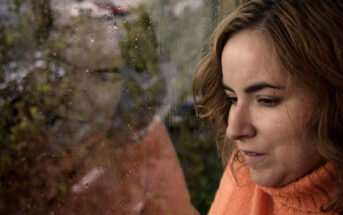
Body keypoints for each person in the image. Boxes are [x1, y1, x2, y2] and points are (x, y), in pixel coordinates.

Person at [193, 0, 343, 214]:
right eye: (233, 98)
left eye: (266, 100)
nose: (234, 131)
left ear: (334, 98)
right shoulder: (244, 171)